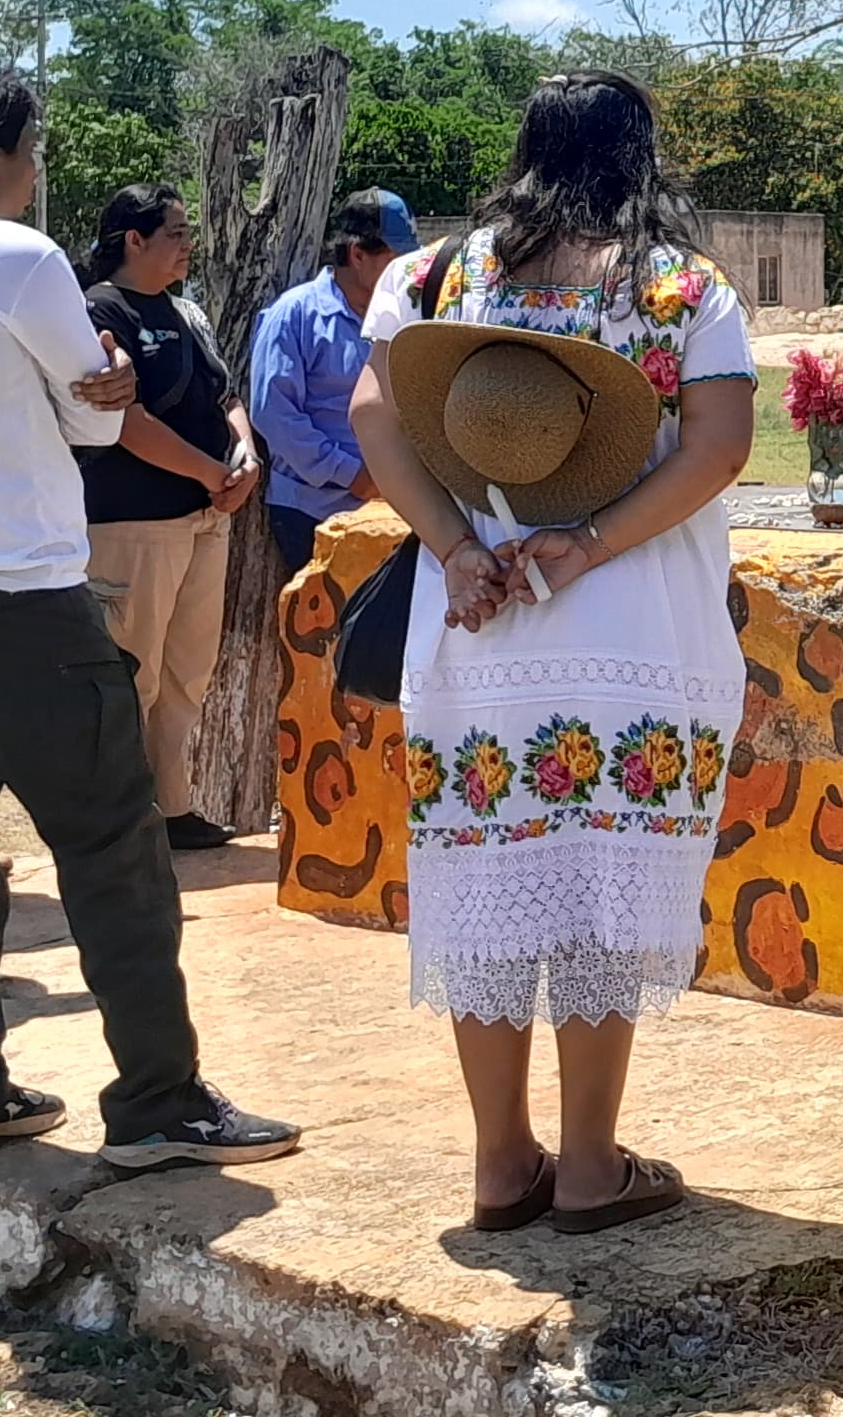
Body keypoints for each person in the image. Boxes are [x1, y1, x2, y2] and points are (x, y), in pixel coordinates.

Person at [0, 63, 300, 1171]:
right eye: (29, 152)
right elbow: (97, 424)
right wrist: (101, 393)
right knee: (114, 844)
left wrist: (95, 392)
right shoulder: (15, 256)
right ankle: (157, 1095)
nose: (39, 173)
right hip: (25, 596)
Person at [347, 70, 756, 1234]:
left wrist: (456, 546)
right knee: (598, 889)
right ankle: (587, 1166)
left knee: (486, 882)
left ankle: (497, 1163)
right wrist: (586, 541)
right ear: (640, 155)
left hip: (477, 632)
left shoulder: (433, 272)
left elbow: (375, 412)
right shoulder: (684, 287)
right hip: (633, 632)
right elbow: (719, 448)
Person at [79, 183, 263, 854]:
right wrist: (213, 474)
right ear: (135, 239)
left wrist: (243, 456)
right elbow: (123, 423)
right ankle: (118, 818)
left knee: (187, 671)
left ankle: (174, 805)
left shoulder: (186, 310)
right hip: (133, 522)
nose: (190, 244)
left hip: (204, 517)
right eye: (177, 232)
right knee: (131, 672)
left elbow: (224, 392)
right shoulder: (99, 311)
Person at [251, 190, 420, 575]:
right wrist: (352, 475)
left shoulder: (403, 319)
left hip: (393, 507)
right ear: (357, 255)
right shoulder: (294, 314)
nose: (407, 270)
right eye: (396, 259)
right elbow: (273, 414)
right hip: (312, 510)